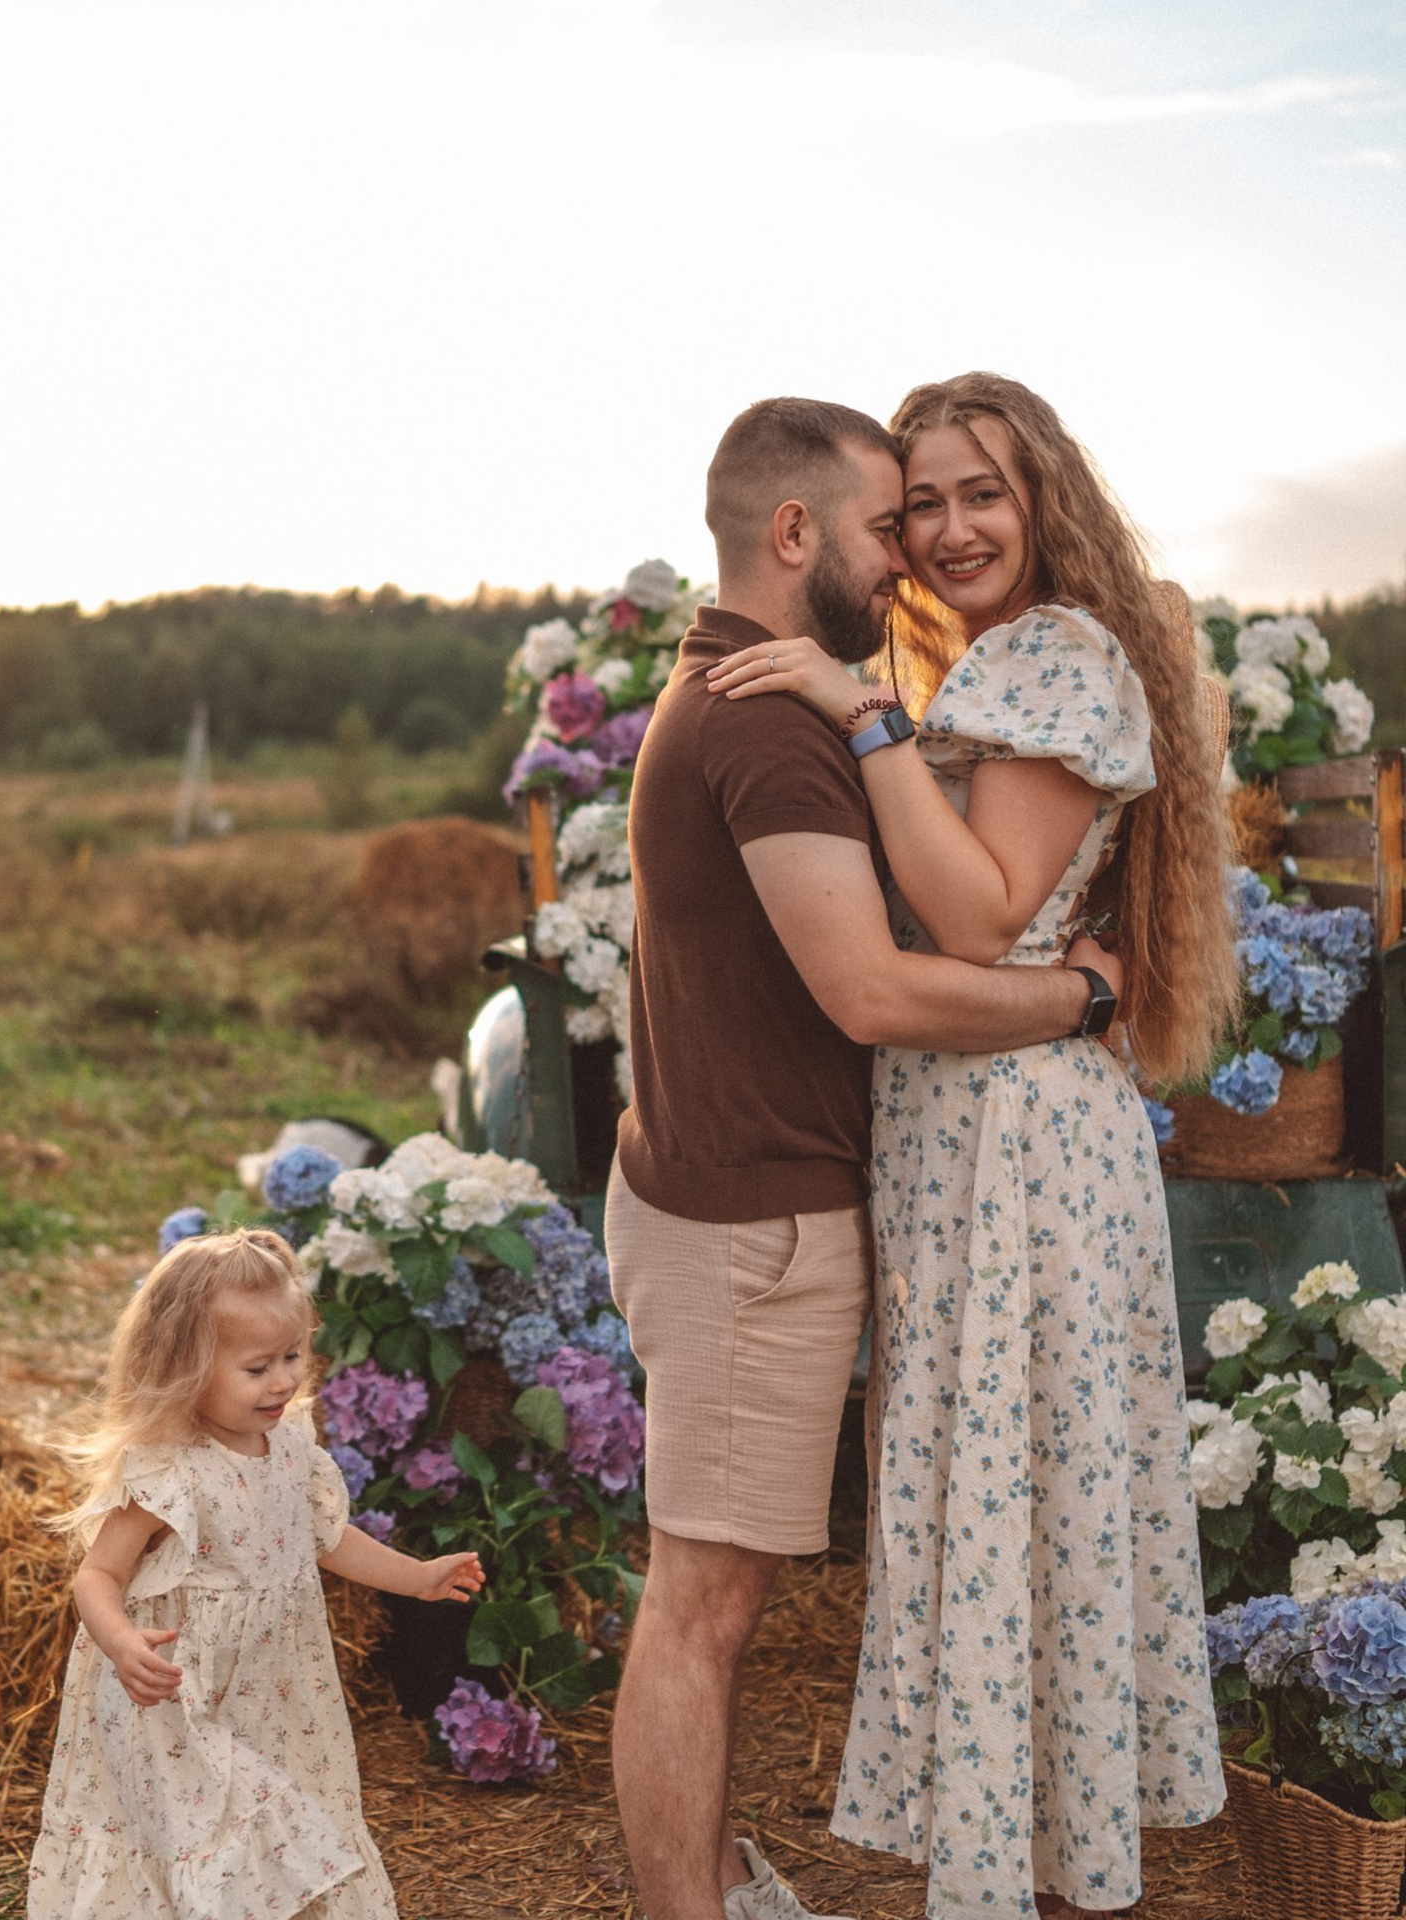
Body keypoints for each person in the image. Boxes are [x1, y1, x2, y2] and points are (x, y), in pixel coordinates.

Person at [704, 372, 1232, 1917]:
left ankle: (1044, 1876)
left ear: (1044, 497)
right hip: (976, 1135)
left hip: (1020, 1148)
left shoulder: (1056, 655)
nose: (947, 530)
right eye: (919, 504)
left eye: (980, 493)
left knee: (1022, 1502)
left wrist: (860, 714)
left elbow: (982, 915)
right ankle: (1032, 1866)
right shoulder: (1004, 661)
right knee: (1008, 1501)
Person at [607, 395, 1130, 1920]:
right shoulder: (773, 719)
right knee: (703, 1612)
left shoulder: (741, 687)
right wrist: (1082, 1000)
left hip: (726, 1201)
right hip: (750, 1226)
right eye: (890, 521)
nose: (911, 551)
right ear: (796, 533)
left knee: (706, 1602)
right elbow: (877, 994)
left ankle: (711, 1879)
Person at [28, 1227, 484, 1920]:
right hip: (178, 1697)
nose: (282, 1381)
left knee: (282, 1822)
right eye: (256, 1367)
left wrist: (416, 1578)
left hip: (274, 1695)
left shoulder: (291, 1447)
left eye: (292, 1356)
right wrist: (121, 1643)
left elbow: (328, 1539)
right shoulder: (169, 1470)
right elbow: (97, 1575)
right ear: (185, 1369)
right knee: (215, 1831)